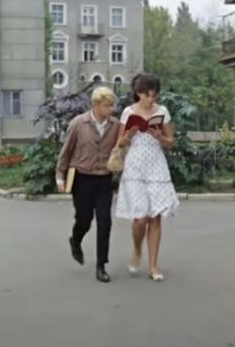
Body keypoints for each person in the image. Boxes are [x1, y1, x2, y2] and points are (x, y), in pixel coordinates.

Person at [115, 74, 179, 282]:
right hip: (135, 167)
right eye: (147, 95)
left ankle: (153, 265)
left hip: (156, 166)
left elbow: (171, 142)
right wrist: (129, 135)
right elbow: (120, 143)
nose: (151, 99)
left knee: (155, 216)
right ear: (138, 93)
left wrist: (160, 137)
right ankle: (137, 249)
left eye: (154, 95)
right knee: (140, 217)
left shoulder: (162, 112)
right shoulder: (128, 112)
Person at [56, 86, 120, 283]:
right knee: (84, 219)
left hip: (104, 178)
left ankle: (101, 266)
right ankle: (75, 240)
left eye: (112, 105)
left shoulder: (115, 125)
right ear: (96, 105)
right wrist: (60, 176)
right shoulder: (79, 123)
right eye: (107, 106)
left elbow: (121, 147)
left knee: (105, 221)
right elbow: (66, 151)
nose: (111, 109)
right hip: (82, 178)